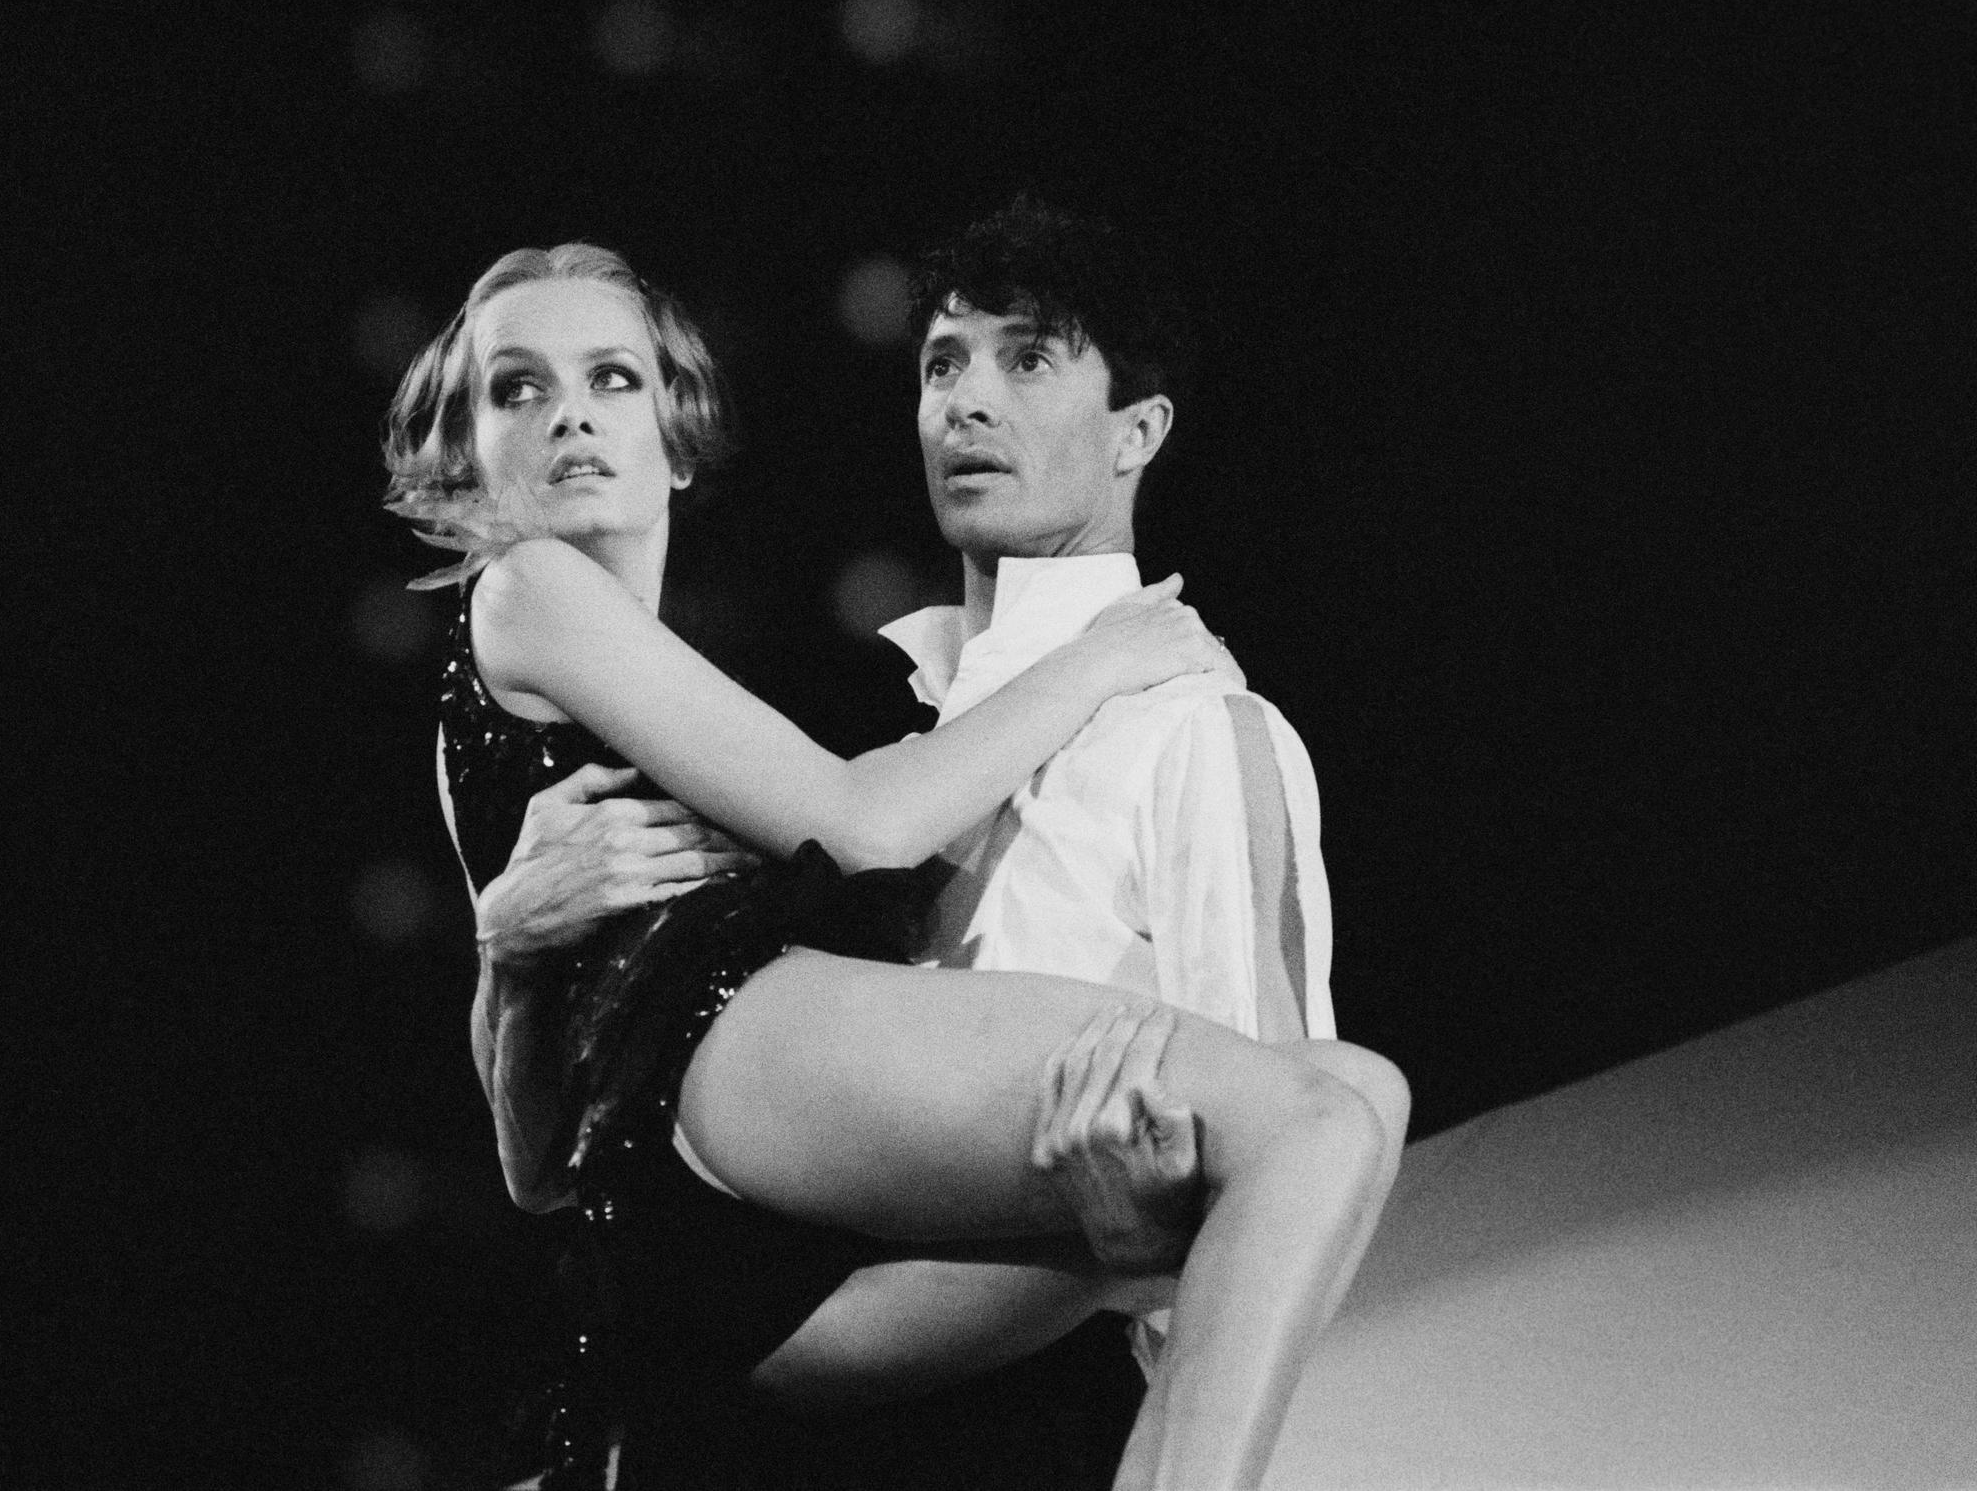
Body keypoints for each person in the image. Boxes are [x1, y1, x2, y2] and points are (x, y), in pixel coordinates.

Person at [390, 238, 1407, 1490]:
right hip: (729, 1124)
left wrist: (515, 954)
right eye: (516, 389)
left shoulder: (654, 684)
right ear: (462, 446)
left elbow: (546, 1168)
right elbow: (866, 825)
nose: (568, 420)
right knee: (1313, 1122)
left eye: (610, 379)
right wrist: (1104, 655)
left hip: (754, 1275)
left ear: (679, 429)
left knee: (1338, 1108)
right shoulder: (530, 589)